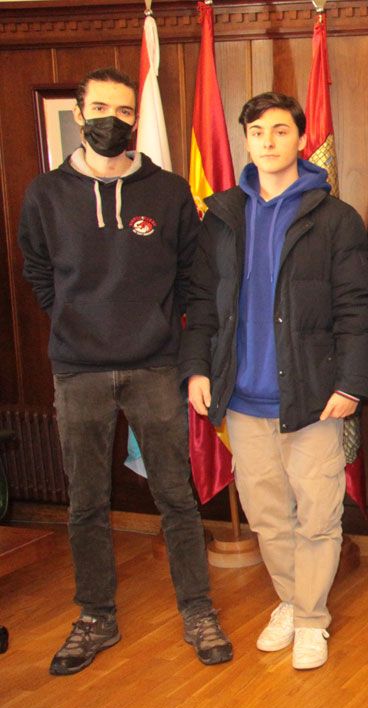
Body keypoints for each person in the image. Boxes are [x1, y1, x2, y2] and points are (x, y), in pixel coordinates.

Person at [19, 67, 232, 675]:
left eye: (126, 109)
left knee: (175, 495)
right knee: (85, 500)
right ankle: (95, 616)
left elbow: (195, 275)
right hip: (78, 371)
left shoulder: (165, 192)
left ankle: (197, 609)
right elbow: (38, 271)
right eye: (102, 108)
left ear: (137, 118)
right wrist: (76, 323)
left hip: (154, 366)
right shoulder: (46, 193)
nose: (114, 119)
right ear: (80, 115)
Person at [181, 92, 368, 671]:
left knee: (318, 514)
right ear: (245, 140)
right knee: (268, 516)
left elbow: (358, 308)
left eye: (280, 130)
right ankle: (292, 600)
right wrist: (196, 367)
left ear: (300, 139)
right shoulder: (220, 215)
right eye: (258, 131)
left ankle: (312, 618)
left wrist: (351, 383)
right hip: (240, 399)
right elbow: (201, 304)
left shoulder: (332, 217)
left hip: (313, 397)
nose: (268, 140)